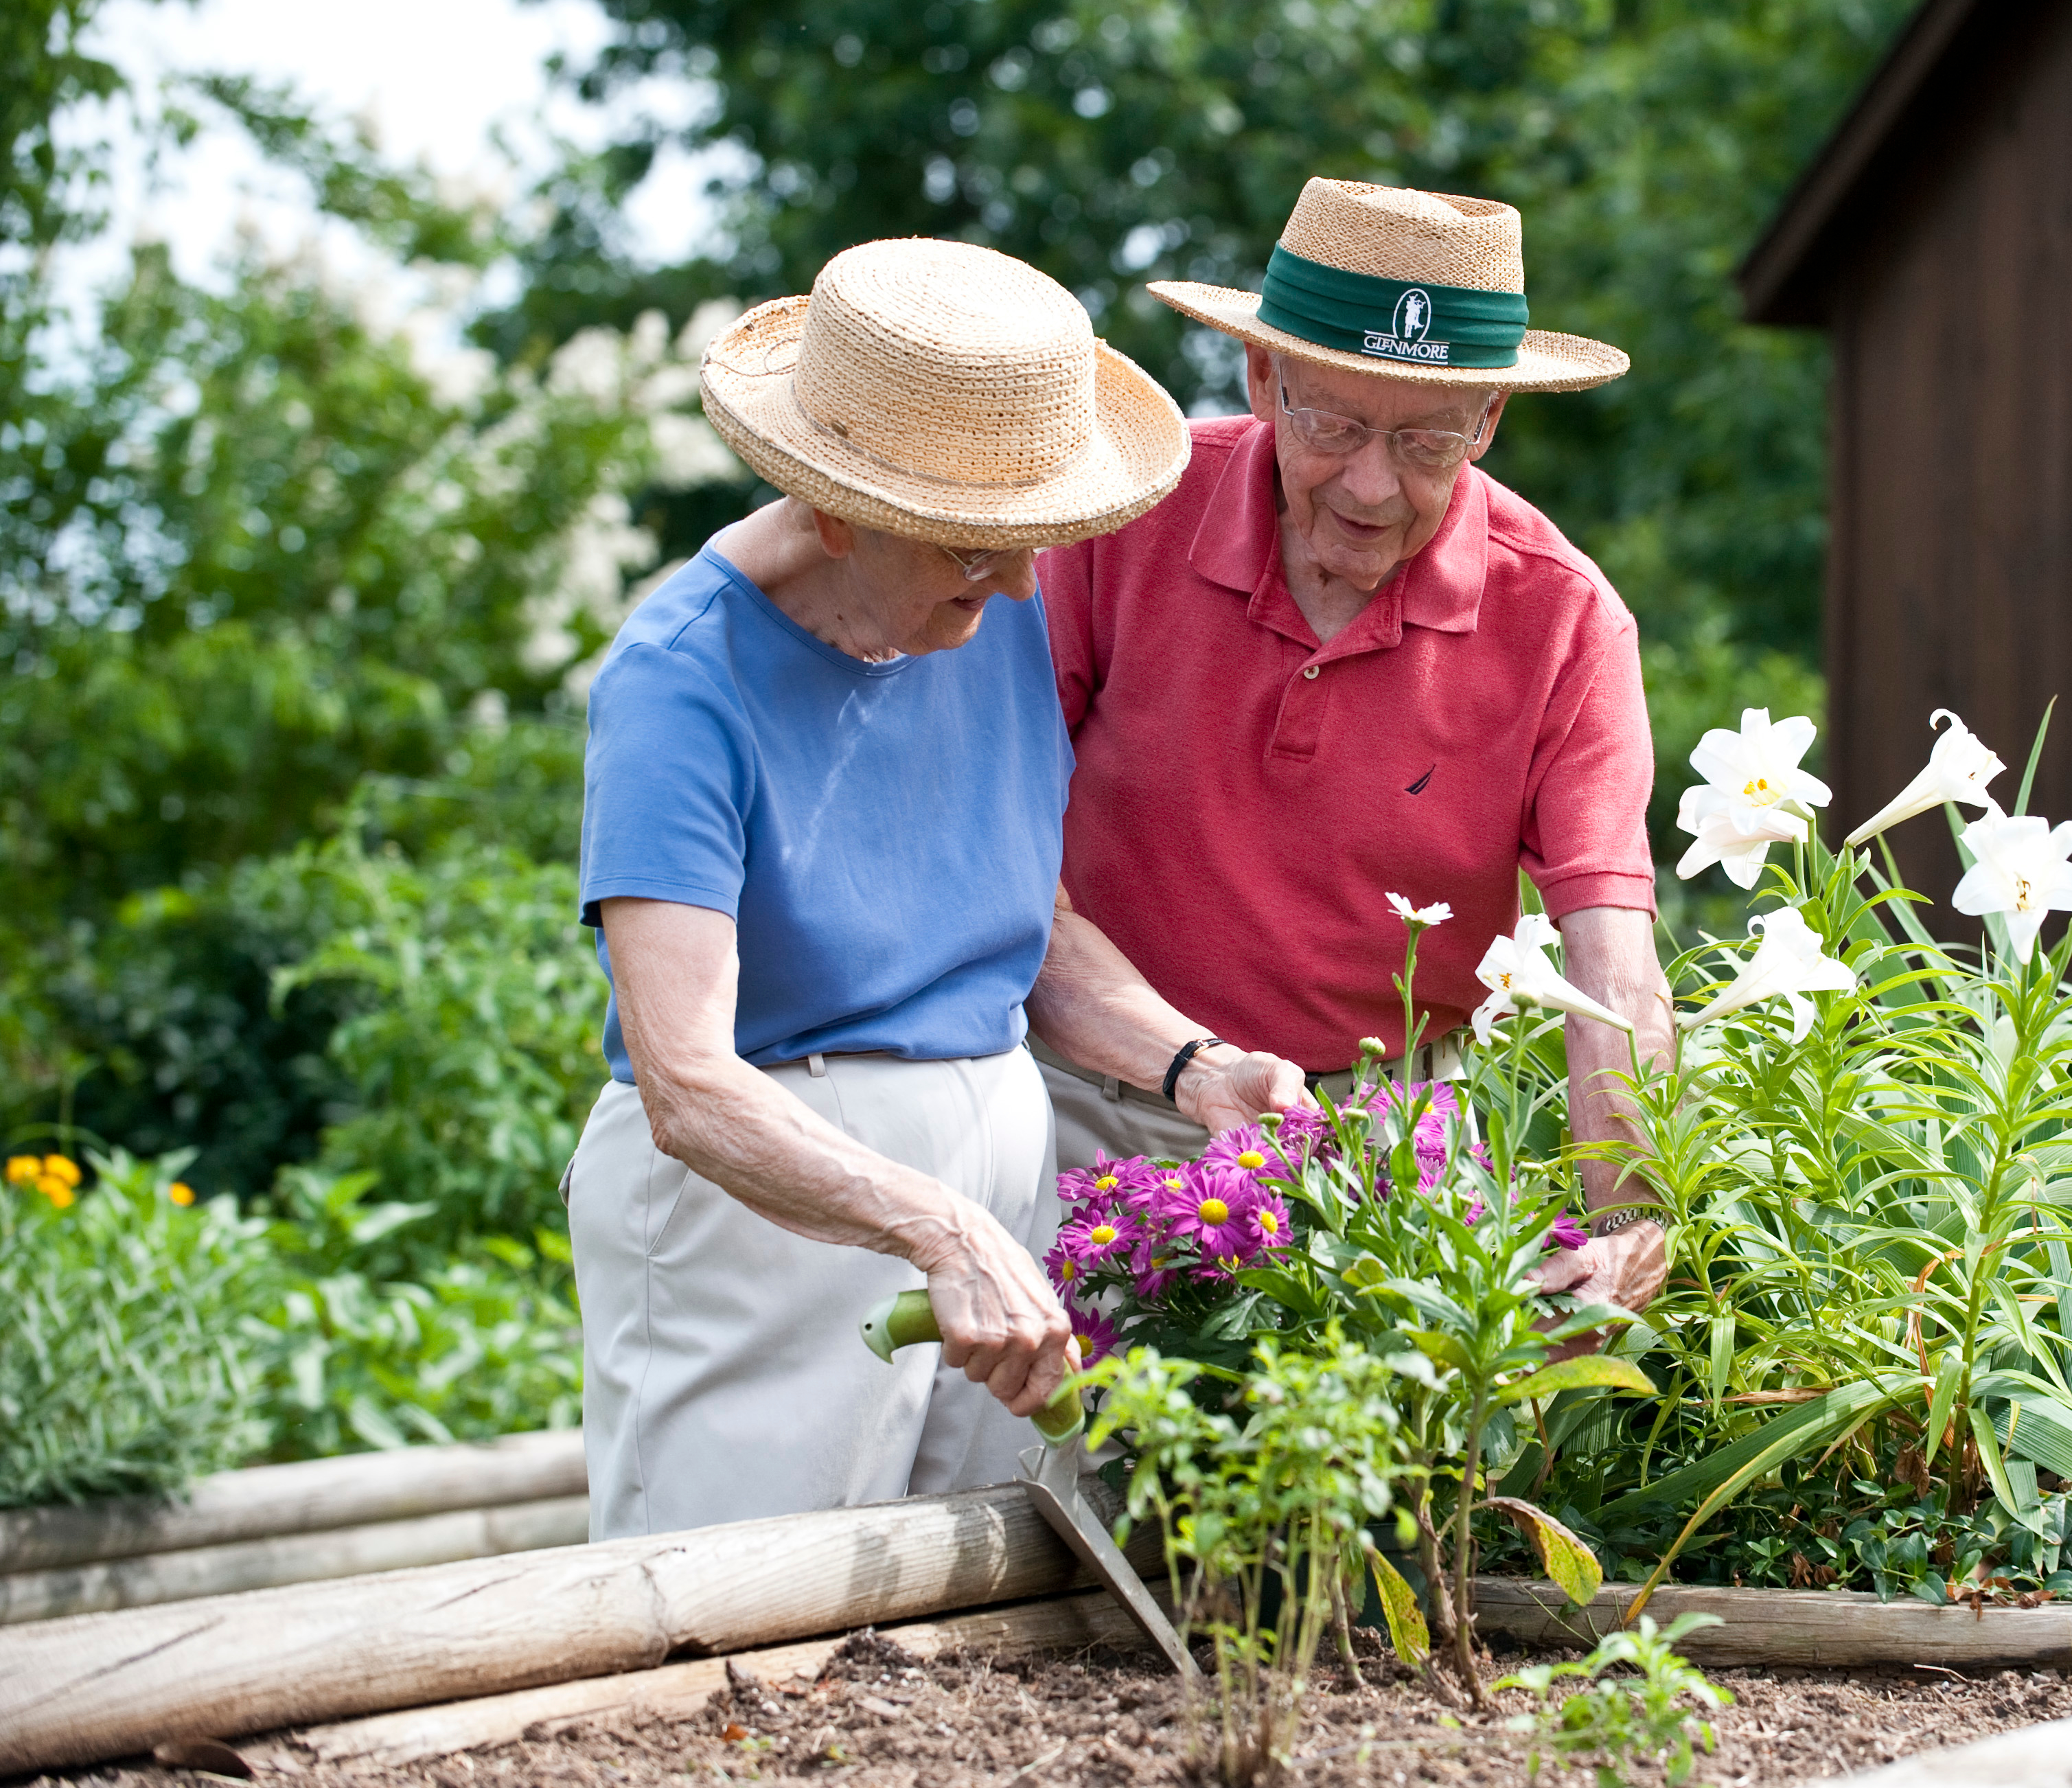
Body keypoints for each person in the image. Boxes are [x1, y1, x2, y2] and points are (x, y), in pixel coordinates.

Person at [567, 238, 1300, 1540]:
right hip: (766, 1221)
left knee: (946, 1641)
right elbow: (686, 1083)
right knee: (725, 1631)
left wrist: (1191, 1070)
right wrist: (935, 1229)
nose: (1025, 581)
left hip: (985, 1204)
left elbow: (1024, 935)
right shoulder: (680, 680)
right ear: (836, 503)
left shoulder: (982, 605)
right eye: (980, 543)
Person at [1033, 177, 1674, 1318]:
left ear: (1488, 422)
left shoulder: (1565, 619)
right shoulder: (1118, 525)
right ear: (1263, 378)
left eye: (1429, 442)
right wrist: (1180, 1064)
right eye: (1333, 426)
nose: (1374, 487)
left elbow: (1609, 965)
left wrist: (1628, 1212)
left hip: (1382, 1148)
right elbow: (995, 864)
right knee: (1050, 1481)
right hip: (1085, 1096)